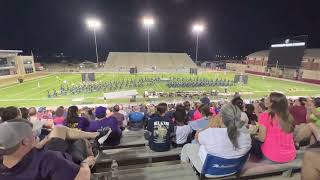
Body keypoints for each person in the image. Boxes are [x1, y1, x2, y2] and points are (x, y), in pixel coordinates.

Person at [0, 120, 98, 180]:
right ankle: (95, 137)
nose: (35, 135)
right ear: (25, 141)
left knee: (58, 130)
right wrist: (85, 164)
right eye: (32, 133)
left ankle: (95, 135)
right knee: (82, 141)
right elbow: (82, 178)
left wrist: (38, 144)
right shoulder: (48, 159)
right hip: (70, 165)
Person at [180, 103, 251, 175]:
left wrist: (209, 125)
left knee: (187, 147)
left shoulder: (211, 132)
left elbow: (196, 138)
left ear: (222, 118)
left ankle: (184, 173)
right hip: (233, 169)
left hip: (210, 171)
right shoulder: (245, 133)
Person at [253, 92, 296, 163]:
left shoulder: (265, 116)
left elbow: (262, 138)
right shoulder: (289, 116)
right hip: (290, 155)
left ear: (271, 103)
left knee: (252, 142)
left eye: (267, 98)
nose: (265, 99)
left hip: (272, 156)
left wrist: (255, 137)